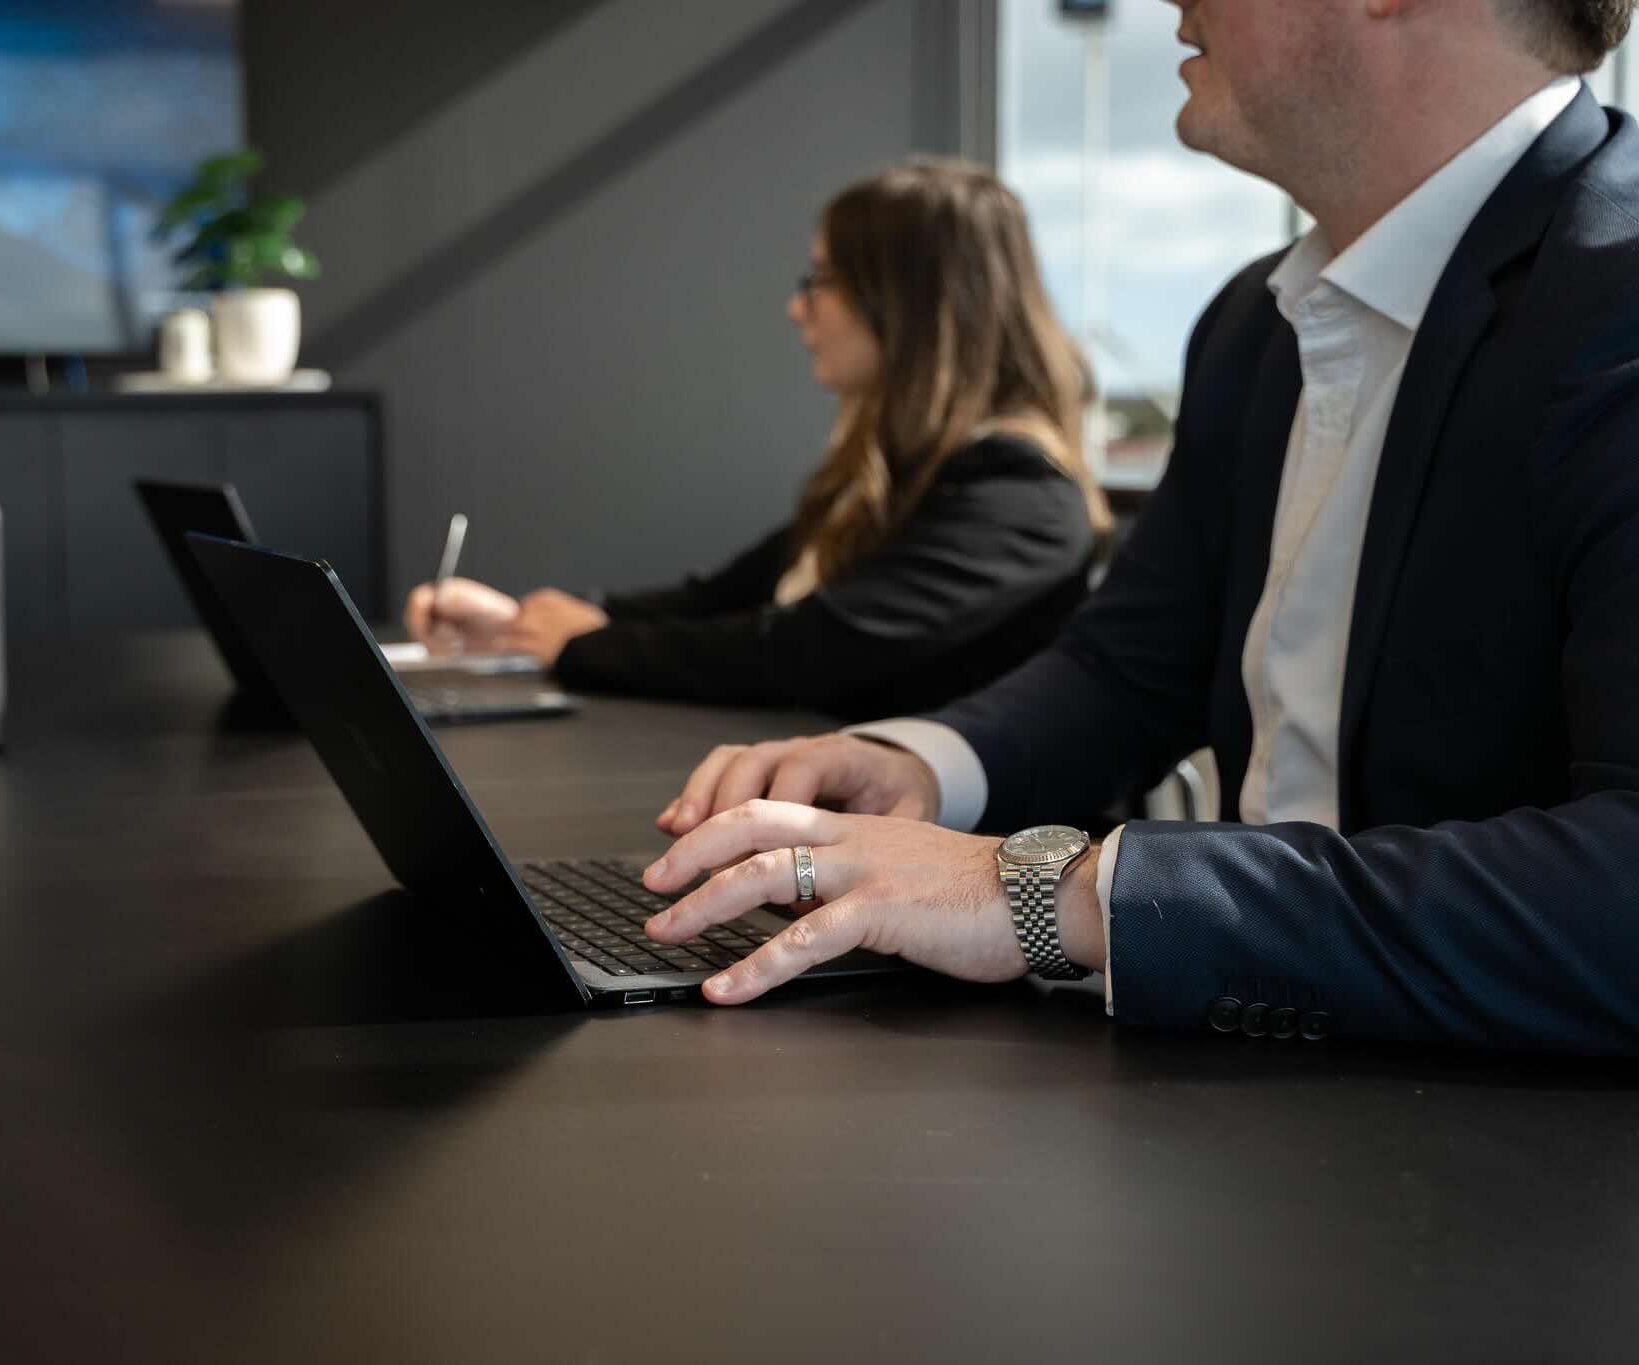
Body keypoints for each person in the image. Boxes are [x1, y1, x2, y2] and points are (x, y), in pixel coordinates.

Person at [635, 0, 1639, 1053]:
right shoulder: (1252, 322)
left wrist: (1043, 896)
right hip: (1265, 1069)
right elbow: (1127, 672)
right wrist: (920, 767)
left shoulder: (1615, 301)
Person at [403, 159, 1110, 722]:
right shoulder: (900, 475)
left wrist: (583, 646)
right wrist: (525, 622)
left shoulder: (1020, 498)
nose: (797, 306)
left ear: (911, 304)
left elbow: (807, 650)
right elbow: (723, 600)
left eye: (821, 280)